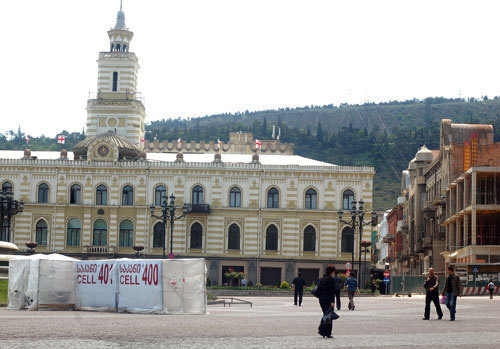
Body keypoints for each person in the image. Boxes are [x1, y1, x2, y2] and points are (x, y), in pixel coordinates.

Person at [317, 265, 336, 338]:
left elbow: (318, 289)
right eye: (334, 271)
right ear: (332, 272)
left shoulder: (321, 279)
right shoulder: (330, 279)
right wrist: (332, 301)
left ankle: (323, 330)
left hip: (321, 299)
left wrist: (321, 297)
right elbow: (331, 292)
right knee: (329, 316)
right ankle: (326, 332)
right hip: (328, 299)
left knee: (325, 314)